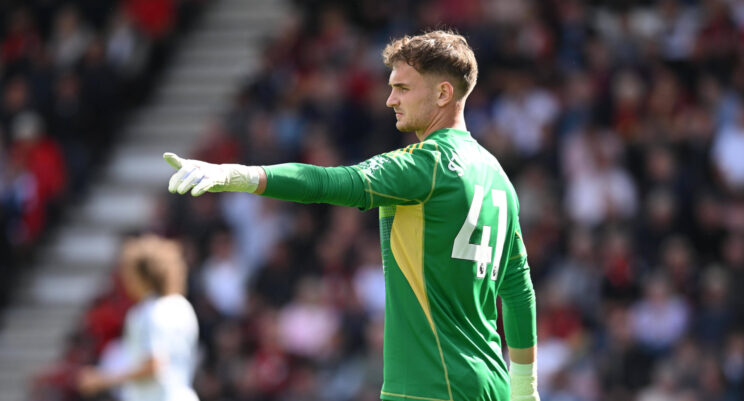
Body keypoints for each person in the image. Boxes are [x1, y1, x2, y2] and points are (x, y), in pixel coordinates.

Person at [164, 30, 538, 401]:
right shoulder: (498, 177)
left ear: (443, 93)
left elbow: (328, 182)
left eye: (404, 88)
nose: (391, 99)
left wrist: (236, 175)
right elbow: (518, 292)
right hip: (492, 386)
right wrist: (525, 391)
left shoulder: (427, 164)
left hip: (430, 386)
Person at [78, 235, 199, 401]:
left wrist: (102, 380)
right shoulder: (183, 307)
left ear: (143, 276)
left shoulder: (148, 313)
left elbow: (154, 364)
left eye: (129, 274)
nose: (126, 281)